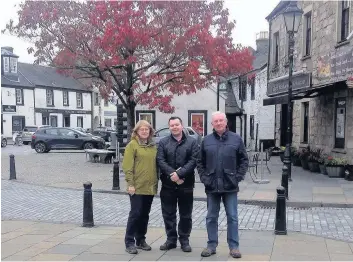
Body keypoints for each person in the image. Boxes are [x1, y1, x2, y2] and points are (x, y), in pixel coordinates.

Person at [197, 111, 249, 259]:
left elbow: (244, 160)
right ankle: (211, 245)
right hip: (212, 186)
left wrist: (237, 177)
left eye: (221, 120)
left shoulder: (236, 139)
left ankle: (234, 247)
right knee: (211, 217)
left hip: (230, 186)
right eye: (216, 121)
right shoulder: (206, 140)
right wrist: (205, 178)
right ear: (212, 124)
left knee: (232, 217)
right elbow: (199, 162)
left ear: (226, 122)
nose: (218, 123)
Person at [157, 116, 199, 252]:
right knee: (168, 214)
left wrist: (180, 174)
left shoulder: (192, 142)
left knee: (186, 214)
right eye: (172, 125)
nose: (174, 127)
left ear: (182, 126)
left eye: (177, 124)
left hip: (186, 185)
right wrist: (173, 175)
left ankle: (184, 240)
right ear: (169, 127)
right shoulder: (163, 142)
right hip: (168, 185)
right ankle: (171, 240)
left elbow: (193, 161)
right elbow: (161, 160)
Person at [122, 120, 158, 254]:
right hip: (136, 187)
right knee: (135, 214)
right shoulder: (132, 145)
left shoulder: (153, 146)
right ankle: (129, 241)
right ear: (136, 131)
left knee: (144, 215)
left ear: (150, 132)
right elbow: (127, 166)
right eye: (141, 129)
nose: (144, 131)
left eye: (147, 129)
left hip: (150, 187)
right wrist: (130, 183)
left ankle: (141, 240)